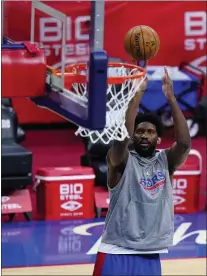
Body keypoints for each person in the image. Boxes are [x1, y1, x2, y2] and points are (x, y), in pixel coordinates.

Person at [92, 66, 191, 276]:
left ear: (158, 139)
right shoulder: (121, 160)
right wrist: (138, 93)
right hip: (115, 252)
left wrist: (171, 99)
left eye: (150, 132)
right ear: (133, 137)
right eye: (139, 131)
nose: (144, 136)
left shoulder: (165, 161)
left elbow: (183, 144)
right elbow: (122, 138)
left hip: (150, 254)